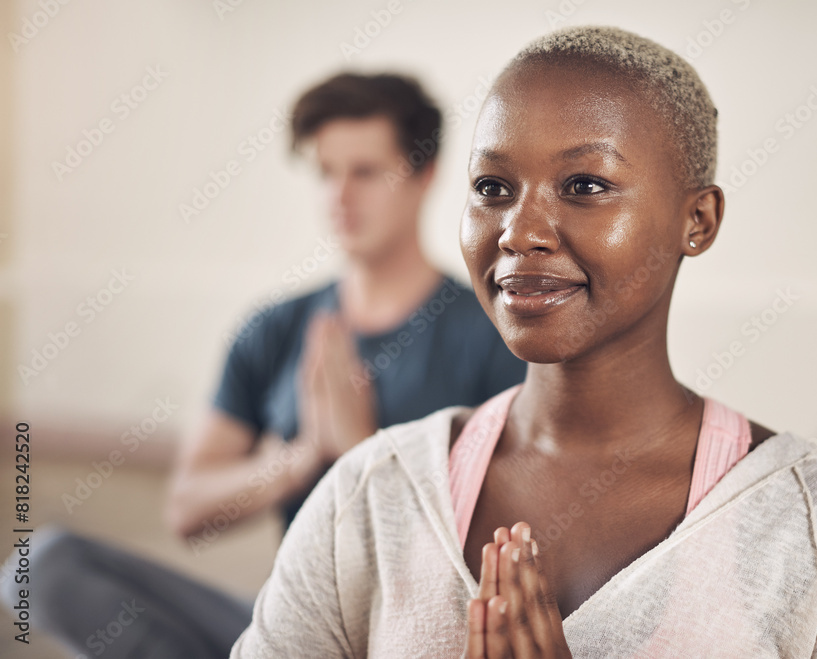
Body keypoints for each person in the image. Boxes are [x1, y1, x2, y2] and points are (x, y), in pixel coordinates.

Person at [230, 26, 817, 658]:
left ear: (699, 220)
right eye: (493, 186)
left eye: (585, 184)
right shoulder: (370, 494)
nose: (519, 230)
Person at [0, 73, 525, 658]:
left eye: (365, 172)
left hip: (411, 639)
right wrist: (298, 458)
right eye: (326, 172)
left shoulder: (491, 336)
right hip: (289, 630)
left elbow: (507, 553)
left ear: (424, 176)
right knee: (40, 567)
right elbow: (186, 508)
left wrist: (360, 454)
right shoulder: (275, 329)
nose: (340, 197)